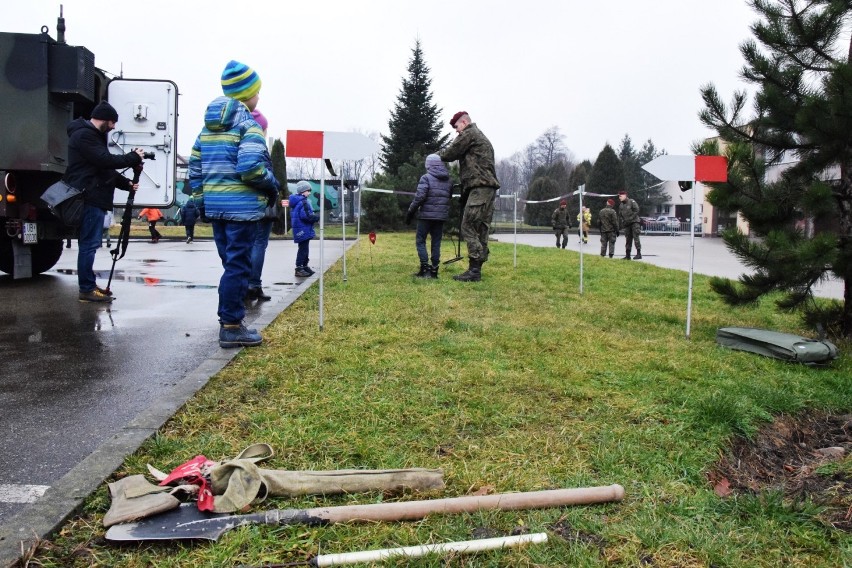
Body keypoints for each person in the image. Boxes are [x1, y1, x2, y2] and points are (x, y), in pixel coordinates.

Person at [188, 60, 280, 348]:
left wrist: (202, 203)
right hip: (242, 210)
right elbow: (251, 168)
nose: (259, 97)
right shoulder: (248, 126)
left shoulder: (206, 130)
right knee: (238, 267)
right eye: (257, 92)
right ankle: (230, 325)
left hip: (216, 209)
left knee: (231, 265)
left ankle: (230, 320)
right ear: (246, 95)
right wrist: (271, 185)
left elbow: (195, 172)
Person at [64, 100, 144, 303]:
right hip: (89, 197)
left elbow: (104, 169)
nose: (114, 127)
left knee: (90, 244)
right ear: (105, 119)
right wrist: (132, 157)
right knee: (88, 245)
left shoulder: (92, 136)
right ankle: (86, 289)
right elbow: (105, 161)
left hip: (94, 197)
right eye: (112, 122)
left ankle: (89, 284)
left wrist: (126, 184)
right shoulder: (85, 135)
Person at [438, 111, 500, 282]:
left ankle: (474, 269)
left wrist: (435, 156)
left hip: (480, 188)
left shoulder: (470, 133)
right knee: (481, 229)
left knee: (467, 226)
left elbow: (450, 153)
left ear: (464, 122)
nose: (457, 131)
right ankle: (475, 270)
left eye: (457, 127)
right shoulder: (479, 136)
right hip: (486, 188)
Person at [405, 154, 451, 278]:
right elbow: (448, 197)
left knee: (420, 241)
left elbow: (419, 197)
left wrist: (410, 212)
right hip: (440, 217)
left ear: (429, 165)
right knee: (436, 242)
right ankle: (434, 271)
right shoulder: (448, 180)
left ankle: (424, 269)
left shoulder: (426, 178)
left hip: (425, 216)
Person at [246, 109, 275, 301]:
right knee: (258, 243)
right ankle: (253, 285)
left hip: (241, 203)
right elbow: (261, 174)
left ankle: (244, 285)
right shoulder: (258, 146)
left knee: (245, 245)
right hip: (259, 202)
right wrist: (274, 187)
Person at [290, 181, 319, 278]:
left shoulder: (297, 201)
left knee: (304, 248)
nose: (310, 193)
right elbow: (306, 216)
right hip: (304, 229)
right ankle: (299, 268)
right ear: (303, 191)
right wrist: (316, 217)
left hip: (300, 229)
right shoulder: (304, 202)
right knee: (303, 249)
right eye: (308, 190)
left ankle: (305, 266)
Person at [617, 190, 642, 260]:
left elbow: (636, 210)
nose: (619, 198)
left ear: (625, 195)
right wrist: (623, 221)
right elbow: (620, 215)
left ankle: (638, 254)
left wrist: (631, 218)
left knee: (636, 237)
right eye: (619, 196)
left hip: (634, 222)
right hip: (627, 224)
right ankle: (628, 255)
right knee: (628, 239)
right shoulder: (621, 205)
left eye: (621, 196)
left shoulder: (631, 201)